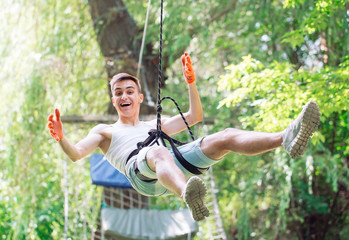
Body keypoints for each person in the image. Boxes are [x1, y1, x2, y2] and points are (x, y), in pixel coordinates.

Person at [47, 52, 321, 221]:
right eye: (118, 93)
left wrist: (191, 84)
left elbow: (194, 116)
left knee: (223, 137)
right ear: (113, 100)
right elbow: (77, 154)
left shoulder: (153, 125)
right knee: (157, 152)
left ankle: (285, 137)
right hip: (143, 175)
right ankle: (188, 195)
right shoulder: (104, 131)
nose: (124, 96)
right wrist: (61, 138)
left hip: (168, 166)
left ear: (140, 97)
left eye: (129, 91)